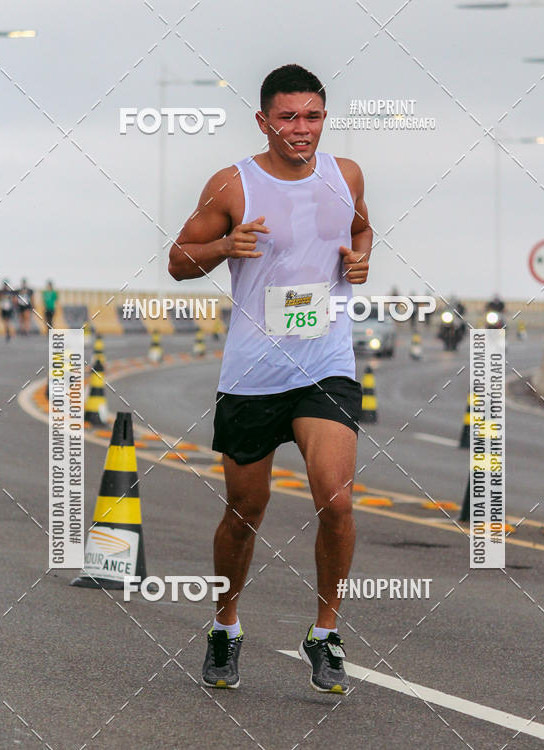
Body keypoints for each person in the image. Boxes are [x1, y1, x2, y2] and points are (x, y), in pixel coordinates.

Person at [169, 63, 372, 694]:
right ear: (263, 121)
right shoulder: (234, 184)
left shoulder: (346, 175)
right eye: (287, 117)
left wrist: (360, 259)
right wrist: (225, 248)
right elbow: (178, 259)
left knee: (336, 500)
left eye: (312, 116)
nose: (301, 129)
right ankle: (225, 625)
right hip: (254, 374)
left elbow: (360, 228)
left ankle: (325, 633)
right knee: (244, 511)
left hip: (325, 366)